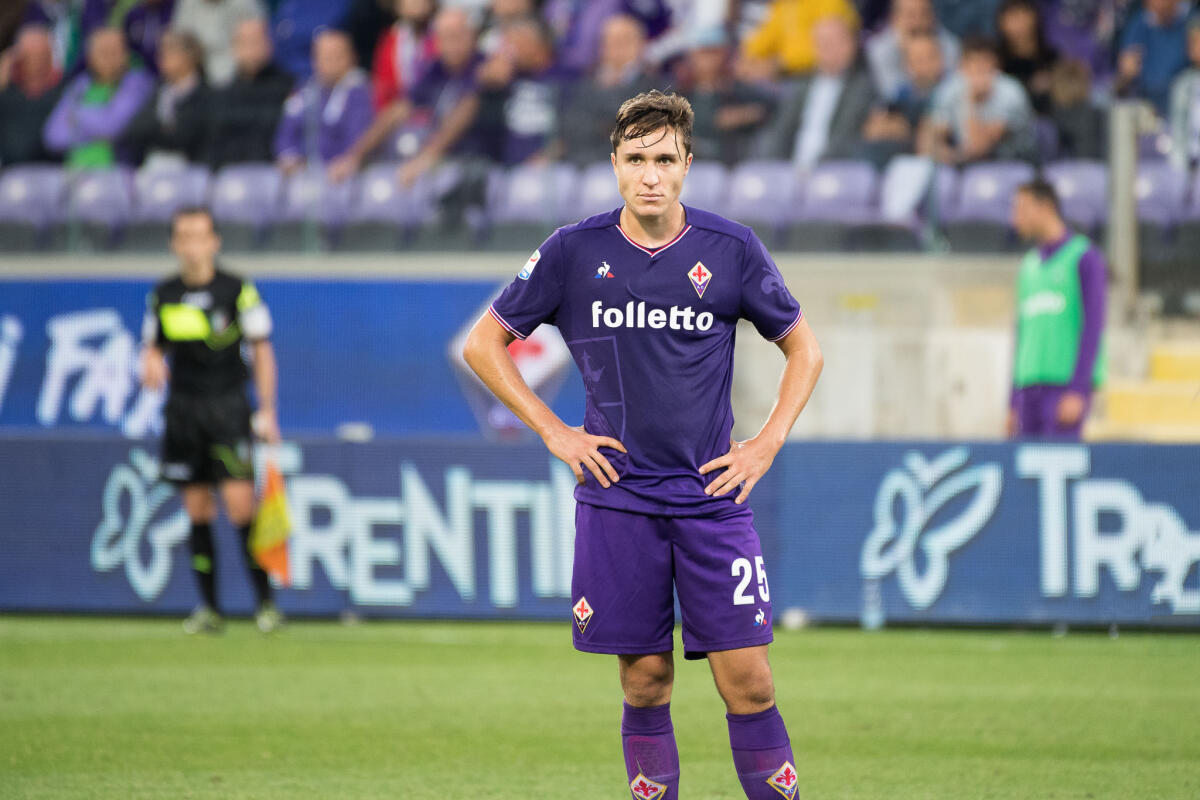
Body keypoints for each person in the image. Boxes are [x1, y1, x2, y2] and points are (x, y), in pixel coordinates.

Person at [462, 90, 823, 800]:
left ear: (688, 165)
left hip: (711, 498)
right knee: (645, 677)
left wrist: (766, 443)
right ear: (615, 165)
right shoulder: (574, 250)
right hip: (618, 502)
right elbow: (485, 344)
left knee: (747, 679)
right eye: (636, 159)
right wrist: (555, 431)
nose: (650, 174)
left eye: (665, 159)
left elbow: (804, 349)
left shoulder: (730, 248)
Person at [140, 206, 283, 634]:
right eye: (183, 236)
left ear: (214, 241)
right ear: (174, 244)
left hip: (228, 407)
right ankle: (210, 609)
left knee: (241, 505)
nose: (192, 245)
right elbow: (152, 346)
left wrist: (268, 409)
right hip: (183, 409)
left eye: (199, 235)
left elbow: (262, 349)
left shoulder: (237, 290)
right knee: (197, 508)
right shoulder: (162, 295)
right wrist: (148, 361)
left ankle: (265, 605)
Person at [328, 6, 483, 183]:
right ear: (436, 42)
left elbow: (467, 108)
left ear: (473, 36)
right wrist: (354, 156)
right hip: (438, 165)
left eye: (457, 36)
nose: (452, 45)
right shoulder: (435, 71)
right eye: (445, 37)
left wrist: (427, 156)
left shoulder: (483, 68)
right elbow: (398, 110)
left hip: (473, 164)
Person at [1006, 179, 1106, 441]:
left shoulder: (1084, 257)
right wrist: (1012, 400)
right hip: (1029, 389)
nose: (1016, 219)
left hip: (1062, 388)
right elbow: (1021, 334)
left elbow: (1093, 326)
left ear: (1046, 207)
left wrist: (1079, 388)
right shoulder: (1028, 266)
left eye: (1023, 210)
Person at [758, 14, 877, 170]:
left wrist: (814, 167)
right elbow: (781, 130)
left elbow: (845, 137)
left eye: (834, 43)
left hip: (834, 171)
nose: (827, 49)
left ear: (851, 45)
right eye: (822, 43)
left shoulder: (863, 86)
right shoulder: (802, 84)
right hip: (789, 170)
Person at [42, 27, 153, 169]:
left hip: (117, 173)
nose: (109, 58)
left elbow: (112, 128)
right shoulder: (80, 85)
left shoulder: (137, 83)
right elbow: (52, 136)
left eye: (115, 52)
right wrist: (99, 125)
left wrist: (76, 116)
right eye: (103, 52)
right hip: (74, 171)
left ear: (126, 54)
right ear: (90, 57)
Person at [558, 14, 659, 165]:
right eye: (608, 41)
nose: (615, 47)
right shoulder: (584, 86)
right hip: (587, 162)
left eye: (623, 41)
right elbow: (573, 127)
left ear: (640, 44)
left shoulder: (657, 87)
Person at [918, 36, 1036, 165]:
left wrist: (971, 100)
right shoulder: (951, 88)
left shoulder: (1011, 92)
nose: (978, 70)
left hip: (1013, 163)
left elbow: (979, 147)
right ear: (962, 66)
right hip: (965, 163)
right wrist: (944, 154)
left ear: (996, 65)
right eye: (972, 63)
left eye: (985, 63)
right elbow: (930, 136)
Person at [475, 14, 575, 165]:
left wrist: (549, 155)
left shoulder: (566, 77)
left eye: (514, 44)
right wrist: (486, 79)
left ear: (537, 46)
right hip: (503, 165)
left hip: (549, 166)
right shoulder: (511, 76)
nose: (509, 52)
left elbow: (575, 129)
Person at [274, 28, 373, 174]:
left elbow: (359, 137)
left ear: (351, 57)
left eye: (335, 55)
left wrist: (346, 161)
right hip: (304, 175)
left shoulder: (359, 92)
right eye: (322, 55)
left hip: (341, 175)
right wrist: (288, 156)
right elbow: (287, 131)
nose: (328, 61)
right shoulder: (305, 90)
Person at [203, 17, 293, 169]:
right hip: (229, 180)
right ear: (234, 47)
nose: (251, 49)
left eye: (256, 41)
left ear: (269, 44)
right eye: (244, 42)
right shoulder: (223, 94)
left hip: (271, 175)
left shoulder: (287, 88)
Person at [682, 27, 777, 165]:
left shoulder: (735, 88)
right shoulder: (683, 90)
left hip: (731, 162)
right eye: (704, 53)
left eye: (714, 53)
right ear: (693, 56)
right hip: (692, 165)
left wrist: (742, 115)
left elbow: (769, 106)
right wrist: (714, 119)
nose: (709, 60)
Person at [859, 29, 946, 168]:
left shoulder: (950, 91)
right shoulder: (900, 93)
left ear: (941, 59)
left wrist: (905, 128)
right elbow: (874, 129)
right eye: (917, 59)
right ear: (907, 66)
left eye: (930, 57)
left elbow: (934, 133)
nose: (924, 65)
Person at [119, 29, 208, 165]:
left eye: (170, 50)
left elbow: (188, 136)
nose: (162, 56)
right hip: (151, 166)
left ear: (191, 55)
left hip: (192, 168)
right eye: (161, 51)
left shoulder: (206, 94)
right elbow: (134, 131)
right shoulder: (158, 91)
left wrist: (157, 131)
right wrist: (163, 130)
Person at [865, 0, 959, 102]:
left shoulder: (949, 44)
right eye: (910, 14)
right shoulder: (879, 51)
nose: (917, 21)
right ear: (894, 18)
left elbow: (954, 89)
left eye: (924, 13)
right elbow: (890, 96)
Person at [739, 0, 858, 81]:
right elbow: (763, 39)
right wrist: (748, 60)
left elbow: (831, 49)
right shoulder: (783, 5)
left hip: (819, 76)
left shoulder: (829, 3)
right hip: (785, 75)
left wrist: (780, 64)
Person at [1114, 0, 1191, 116]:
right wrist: (1126, 73)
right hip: (1145, 103)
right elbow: (1126, 69)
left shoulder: (1191, 22)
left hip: (1182, 102)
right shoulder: (1140, 24)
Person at [0, 24, 63, 165]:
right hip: (10, 173)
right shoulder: (7, 93)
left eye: (43, 55)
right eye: (31, 56)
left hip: (53, 171)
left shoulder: (63, 90)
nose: (37, 62)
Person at [171, 0, 265, 88]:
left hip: (241, 76)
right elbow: (180, 44)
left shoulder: (244, 4)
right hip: (197, 75)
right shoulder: (187, 4)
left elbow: (258, 40)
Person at [369, 0, 437, 112]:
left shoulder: (441, 34)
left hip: (434, 107)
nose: (417, 3)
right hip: (398, 113)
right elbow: (382, 87)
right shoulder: (390, 40)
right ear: (398, 7)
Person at [995, 0, 1058, 115]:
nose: (1020, 22)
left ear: (1035, 17)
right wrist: (1030, 86)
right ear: (1002, 22)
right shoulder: (996, 59)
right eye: (1013, 15)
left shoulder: (1051, 57)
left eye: (1024, 13)